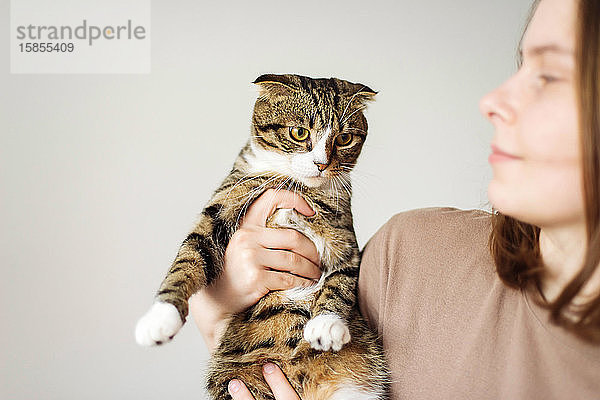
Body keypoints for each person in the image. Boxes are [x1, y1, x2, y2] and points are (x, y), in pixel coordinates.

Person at [190, 0, 600, 398]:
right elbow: (278, 357)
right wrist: (220, 319)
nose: (491, 102)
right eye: (521, 66)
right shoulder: (406, 253)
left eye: (547, 76)